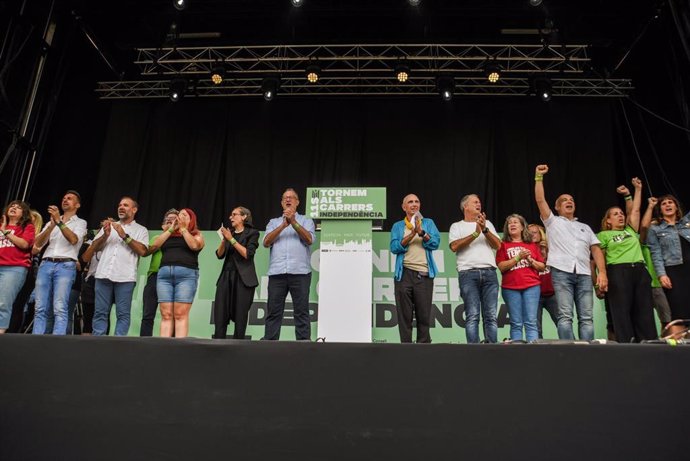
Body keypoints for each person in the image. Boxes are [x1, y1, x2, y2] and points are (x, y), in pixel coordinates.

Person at [534, 164, 607, 341]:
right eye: (565, 200)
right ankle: (570, 350)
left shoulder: (585, 227)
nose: (569, 201)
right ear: (557, 207)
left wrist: (602, 273)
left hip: (583, 273)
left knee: (587, 318)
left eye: (571, 200)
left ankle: (587, 352)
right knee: (565, 317)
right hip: (561, 273)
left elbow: (596, 249)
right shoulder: (552, 222)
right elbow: (540, 200)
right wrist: (538, 177)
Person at [596, 178, 656, 343]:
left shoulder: (631, 230)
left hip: (639, 271)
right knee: (621, 311)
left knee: (644, 310)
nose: (620, 216)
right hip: (618, 272)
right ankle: (627, 344)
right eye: (615, 214)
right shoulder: (603, 236)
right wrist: (601, 277)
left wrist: (637, 189)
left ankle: (649, 341)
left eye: (621, 213)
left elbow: (635, 211)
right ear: (608, 221)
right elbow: (598, 258)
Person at [90, 197, 149, 336]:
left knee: (122, 314)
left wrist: (124, 235)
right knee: (100, 312)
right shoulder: (109, 226)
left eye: (126, 205)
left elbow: (142, 251)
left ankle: (118, 346)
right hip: (103, 275)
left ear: (134, 210)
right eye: (120, 205)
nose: (121, 207)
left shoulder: (141, 230)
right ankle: (97, 345)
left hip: (125, 278)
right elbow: (94, 247)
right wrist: (105, 235)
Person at [262, 188, 315, 341]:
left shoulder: (306, 220)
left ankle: (304, 346)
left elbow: (309, 239)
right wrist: (283, 226)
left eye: (291, 197)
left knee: (302, 312)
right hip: (277, 273)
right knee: (273, 312)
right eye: (285, 197)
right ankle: (270, 346)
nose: (288, 199)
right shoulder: (273, 222)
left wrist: (294, 223)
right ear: (281, 202)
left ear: (297, 202)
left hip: (300, 273)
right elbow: (266, 242)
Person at [31, 190, 88, 335]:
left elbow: (74, 240)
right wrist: (51, 225)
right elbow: (37, 246)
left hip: (65, 265)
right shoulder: (53, 221)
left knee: (60, 306)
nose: (65, 200)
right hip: (46, 263)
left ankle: (57, 342)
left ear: (77, 205)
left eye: (69, 198)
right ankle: (36, 341)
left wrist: (60, 222)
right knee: (40, 307)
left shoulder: (80, 222)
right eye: (63, 198)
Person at [449, 194, 501, 343]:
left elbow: (497, 245)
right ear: (465, 206)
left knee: (491, 316)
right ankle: (474, 351)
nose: (479, 204)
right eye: (475, 202)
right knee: (472, 315)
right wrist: (475, 233)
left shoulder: (488, 223)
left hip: (489, 272)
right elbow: (454, 246)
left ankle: (492, 350)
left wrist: (484, 229)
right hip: (468, 273)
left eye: (479, 202)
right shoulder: (456, 226)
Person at [390, 194, 441, 343]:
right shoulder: (398, 226)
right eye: (410, 202)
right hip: (403, 274)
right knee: (404, 315)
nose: (414, 204)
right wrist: (412, 234)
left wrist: (422, 233)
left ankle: (423, 349)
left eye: (417, 201)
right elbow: (394, 247)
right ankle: (405, 348)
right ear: (404, 207)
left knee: (424, 315)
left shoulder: (428, 223)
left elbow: (435, 243)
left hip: (423, 274)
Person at [148, 208, 204, 338]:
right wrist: (170, 229)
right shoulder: (169, 233)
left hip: (186, 276)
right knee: (166, 314)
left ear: (191, 220)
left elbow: (195, 246)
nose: (180, 217)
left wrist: (184, 229)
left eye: (184, 215)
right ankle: (164, 348)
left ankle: (180, 348)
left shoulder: (196, 234)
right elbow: (155, 245)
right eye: (179, 215)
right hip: (164, 276)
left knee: (180, 314)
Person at [646, 194, 690, 338]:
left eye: (670, 202)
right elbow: (656, 253)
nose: (667, 205)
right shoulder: (655, 229)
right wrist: (661, 274)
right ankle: (679, 348)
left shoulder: (686, 222)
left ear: (676, 207)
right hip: (673, 271)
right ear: (660, 209)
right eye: (664, 204)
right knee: (678, 310)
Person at [496, 214, 545, 342]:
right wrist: (518, 258)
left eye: (515, 222)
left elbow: (542, 266)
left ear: (523, 227)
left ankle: (532, 354)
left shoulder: (532, 245)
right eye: (509, 223)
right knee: (516, 322)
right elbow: (501, 266)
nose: (512, 224)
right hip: (510, 288)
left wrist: (530, 260)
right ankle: (517, 355)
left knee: (531, 322)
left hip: (532, 286)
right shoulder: (503, 245)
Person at [213, 206, 259, 339]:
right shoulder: (230, 233)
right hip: (226, 276)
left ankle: (238, 348)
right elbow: (219, 255)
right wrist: (224, 239)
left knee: (240, 316)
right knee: (220, 314)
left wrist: (231, 240)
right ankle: (218, 347)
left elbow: (247, 254)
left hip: (243, 279)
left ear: (244, 217)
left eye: (234, 215)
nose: (230, 217)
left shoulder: (252, 233)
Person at [140, 209, 179, 336]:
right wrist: (168, 232)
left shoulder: (181, 240)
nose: (169, 221)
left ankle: (172, 344)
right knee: (148, 313)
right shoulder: (158, 237)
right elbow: (149, 250)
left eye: (173, 219)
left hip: (173, 277)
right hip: (154, 277)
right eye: (167, 220)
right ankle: (144, 343)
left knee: (173, 314)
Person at [0, 200, 36, 334]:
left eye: (18, 207)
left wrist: (5, 232)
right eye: (12, 206)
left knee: (3, 302)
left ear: (24, 213)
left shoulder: (27, 227)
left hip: (13, 268)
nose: (14, 208)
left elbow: (25, 244)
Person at [639, 197, 672, 333]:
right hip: (654, 283)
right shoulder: (642, 237)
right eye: (664, 203)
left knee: (672, 317)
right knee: (665, 319)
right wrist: (651, 206)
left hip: (671, 279)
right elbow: (645, 227)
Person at [8, 209, 43, 333]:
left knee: (18, 304)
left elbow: (34, 250)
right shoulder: (16, 232)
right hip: (12, 268)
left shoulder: (38, 236)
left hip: (28, 270)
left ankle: (12, 332)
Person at [527, 223, 558, 339]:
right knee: (536, 327)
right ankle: (538, 353)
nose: (532, 235)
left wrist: (546, 253)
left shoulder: (552, 248)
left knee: (562, 323)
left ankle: (572, 349)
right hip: (534, 294)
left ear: (541, 234)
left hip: (552, 293)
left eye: (535, 232)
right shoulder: (525, 249)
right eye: (529, 233)